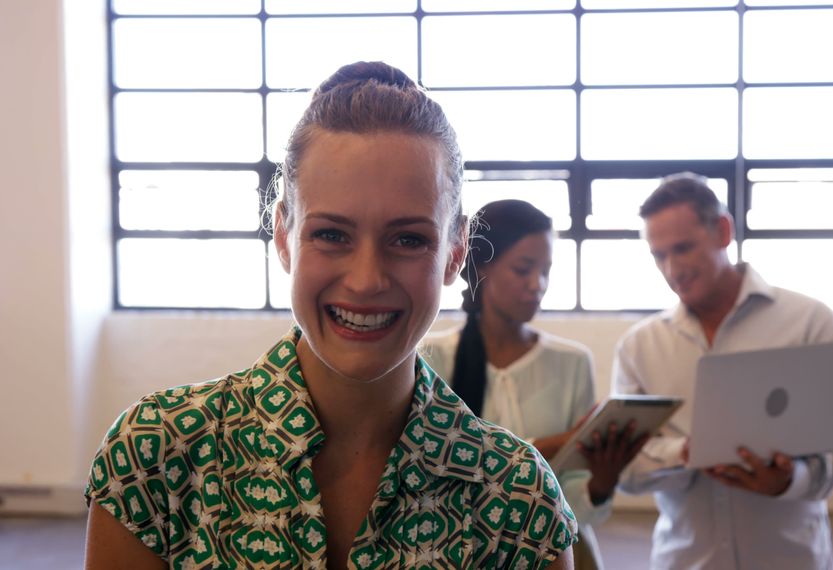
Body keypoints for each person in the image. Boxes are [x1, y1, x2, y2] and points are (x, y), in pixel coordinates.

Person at [84, 61, 577, 570]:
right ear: (282, 235)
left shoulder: (516, 494)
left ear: (455, 253)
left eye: (408, 239)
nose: (366, 280)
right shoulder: (160, 453)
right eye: (331, 235)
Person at [611, 172, 833, 569]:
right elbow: (624, 468)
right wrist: (684, 454)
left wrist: (790, 480)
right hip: (686, 561)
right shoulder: (639, 346)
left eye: (683, 248)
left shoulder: (812, 323)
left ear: (723, 231)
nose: (672, 269)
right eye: (659, 256)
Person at [423, 199, 646, 570]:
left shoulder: (572, 362)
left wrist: (600, 485)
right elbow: (435, 483)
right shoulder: (433, 360)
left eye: (546, 271)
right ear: (482, 267)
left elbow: (574, 502)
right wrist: (553, 445)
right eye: (524, 269)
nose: (537, 285)